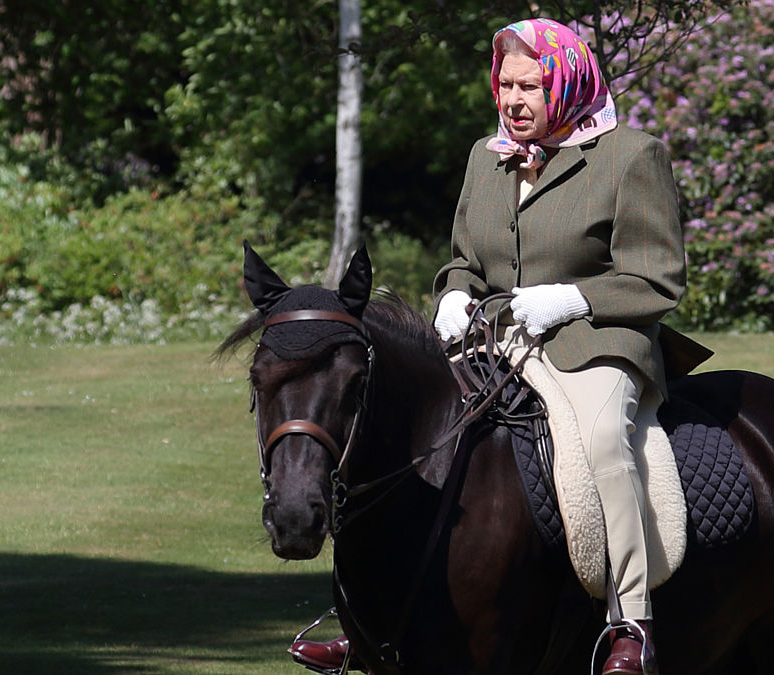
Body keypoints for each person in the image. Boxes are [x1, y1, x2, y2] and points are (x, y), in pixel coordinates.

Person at [291, 17, 705, 675]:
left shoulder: (632, 155)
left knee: (602, 438)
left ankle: (631, 621)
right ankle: (363, 617)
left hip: (596, 340)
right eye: (505, 85)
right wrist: (452, 294)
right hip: (495, 339)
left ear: (566, 82)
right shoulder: (486, 157)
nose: (513, 100)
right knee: (392, 426)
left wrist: (572, 299)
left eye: (530, 87)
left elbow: (658, 277)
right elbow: (462, 261)